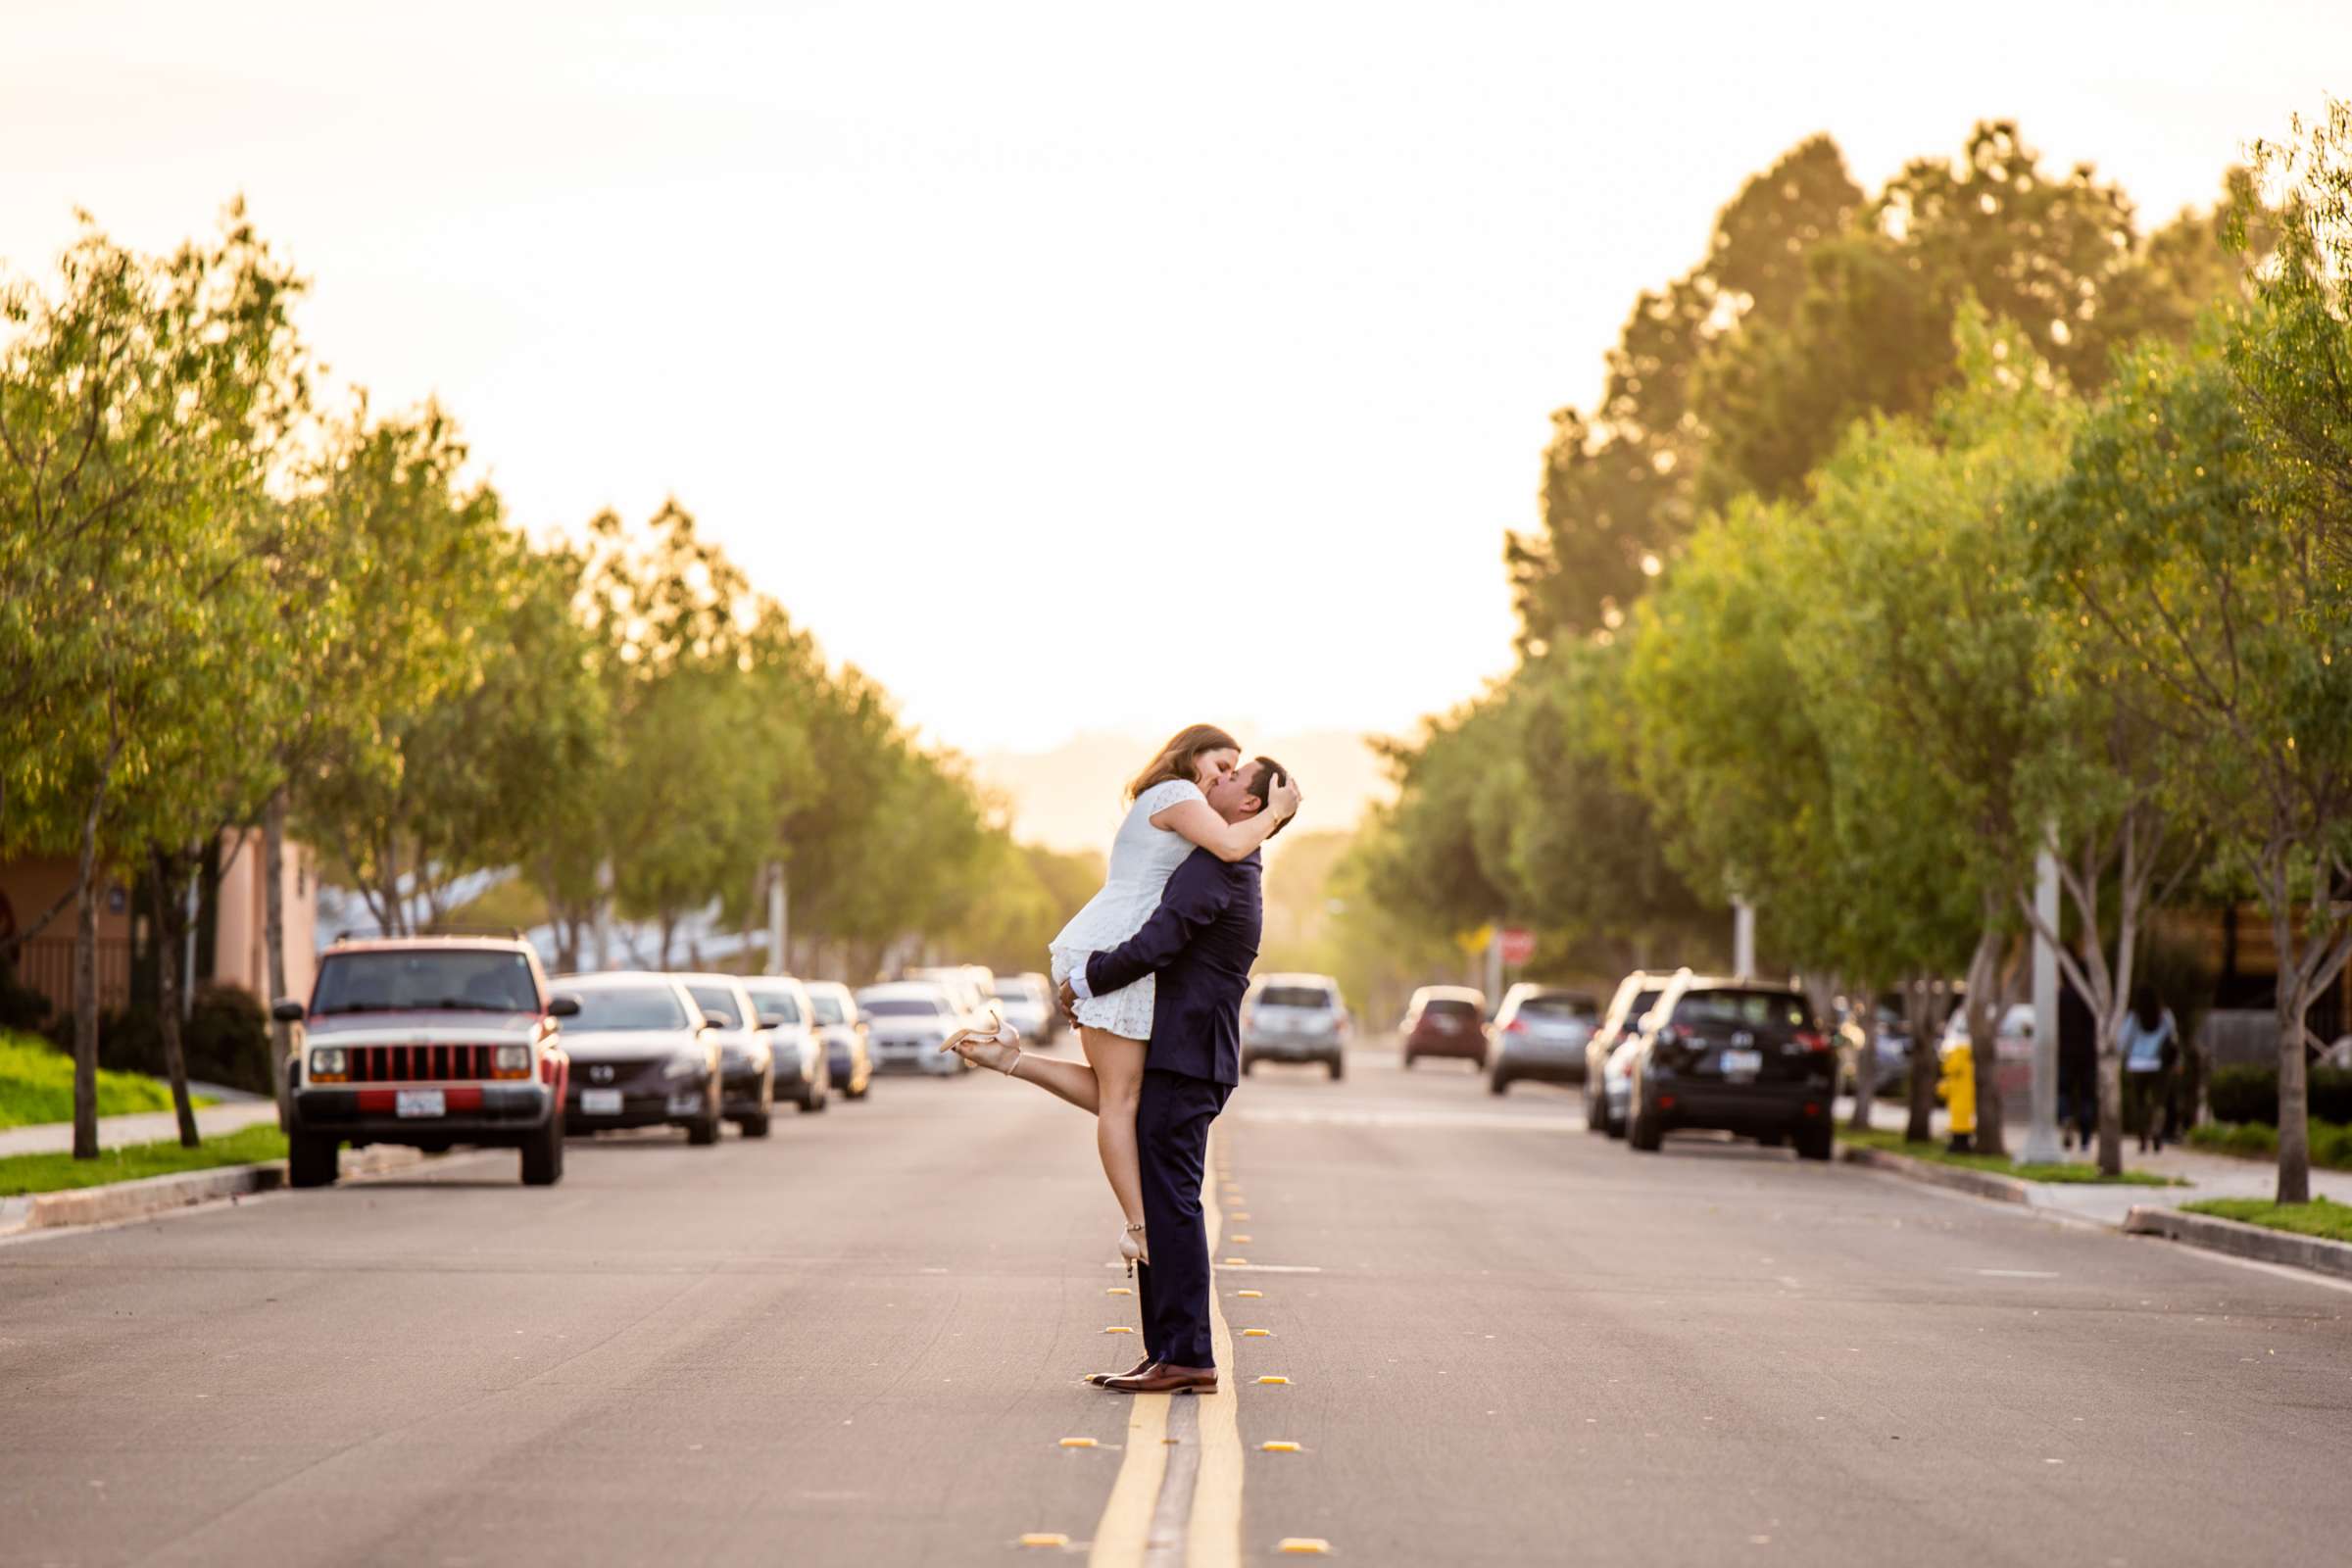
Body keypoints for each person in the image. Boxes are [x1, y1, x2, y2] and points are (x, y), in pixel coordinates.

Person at [949, 754, 1292, 1396]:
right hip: (1190, 1054)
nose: (1215, 780)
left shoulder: (1219, 866)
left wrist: (1085, 977)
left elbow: (1159, 941)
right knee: (1161, 1194)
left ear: (1250, 805)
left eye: (1230, 776)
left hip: (1188, 1056)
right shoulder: (1229, 860)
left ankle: (1187, 1353)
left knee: (1172, 1204)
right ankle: (1166, 1349)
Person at [2120, 984, 2180, 1153]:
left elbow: (2122, 1041)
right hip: (2159, 1064)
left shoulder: (2134, 1018)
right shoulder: (2165, 1016)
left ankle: (2142, 1137)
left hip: (2137, 1064)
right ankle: (2157, 1127)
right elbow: (2173, 1038)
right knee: (2158, 1102)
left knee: (2139, 1102)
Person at [2057, 974, 2096, 1152]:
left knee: (2063, 1090)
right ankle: (2085, 1141)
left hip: (2065, 1052)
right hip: (2088, 1053)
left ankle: (2065, 1117)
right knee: (2087, 1095)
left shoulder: (2062, 996)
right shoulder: (2091, 996)